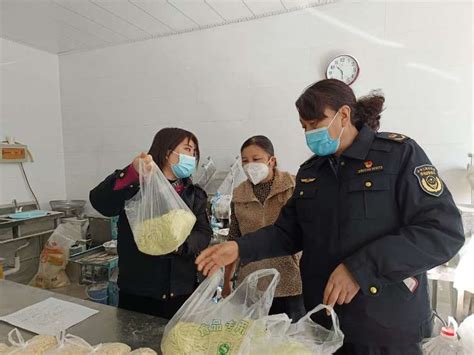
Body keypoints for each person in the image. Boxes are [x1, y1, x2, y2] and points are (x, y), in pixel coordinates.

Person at [196, 79, 465, 354]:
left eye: (316, 123)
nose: (310, 133)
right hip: (323, 325)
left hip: (386, 327)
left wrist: (360, 269)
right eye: (305, 127)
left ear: (344, 115)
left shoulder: (398, 155)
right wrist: (240, 247)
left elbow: (442, 231)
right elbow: (288, 232)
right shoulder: (312, 172)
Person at [90, 128, 211, 319]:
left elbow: (204, 232)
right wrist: (132, 172)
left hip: (181, 289)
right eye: (187, 149)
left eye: (194, 152)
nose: (192, 156)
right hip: (139, 289)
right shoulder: (136, 185)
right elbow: (100, 202)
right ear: (166, 152)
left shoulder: (193, 194)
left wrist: (179, 246)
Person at [223, 135, 305, 322]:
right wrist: (227, 281)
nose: (250, 165)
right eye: (245, 161)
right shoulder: (238, 194)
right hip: (252, 285)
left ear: (271, 160)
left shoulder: (293, 186)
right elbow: (234, 239)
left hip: (290, 284)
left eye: (256, 159)